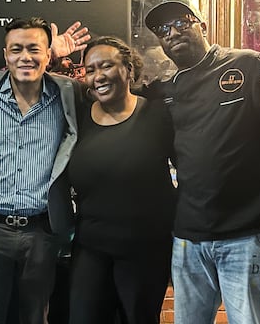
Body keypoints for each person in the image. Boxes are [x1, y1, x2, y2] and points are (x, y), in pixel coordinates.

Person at [142, 0, 260, 323]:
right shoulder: (162, 92)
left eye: (181, 22)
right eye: (163, 29)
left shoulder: (247, 64)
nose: (172, 33)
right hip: (189, 234)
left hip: (247, 231)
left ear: (202, 25)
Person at [0, 17, 85, 324]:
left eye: (34, 49)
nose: (25, 57)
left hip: (41, 232)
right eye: (16, 49)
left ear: (48, 55)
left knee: (35, 317)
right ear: (5, 55)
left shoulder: (68, 94)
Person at [66, 36, 175, 324]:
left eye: (106, 66)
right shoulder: (77, 117)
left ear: (128, 69)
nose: (98, 76)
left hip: (146, 250)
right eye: (90, 69)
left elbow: (189, 170)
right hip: (91, 247)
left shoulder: (157, 115)